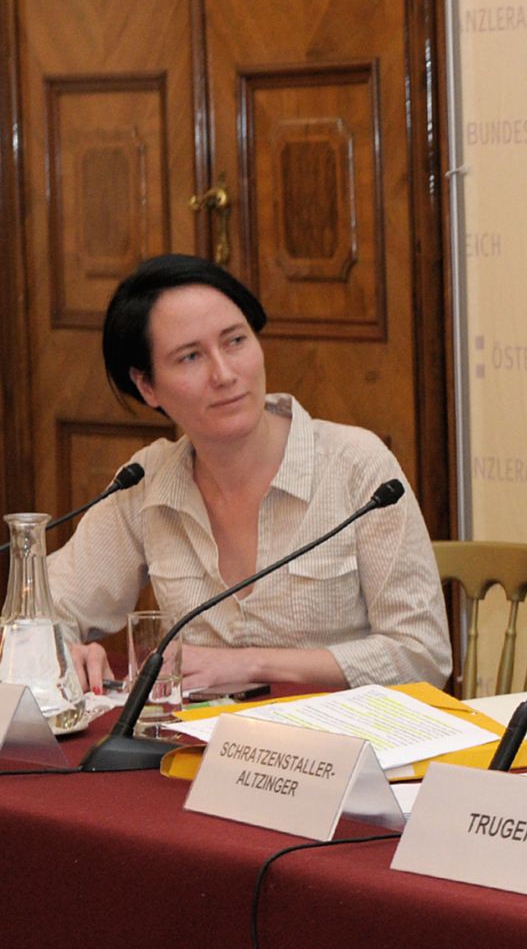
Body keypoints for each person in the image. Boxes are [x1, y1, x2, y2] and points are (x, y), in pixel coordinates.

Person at [55, 254, 450, 691]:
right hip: (200, 733)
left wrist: (251, 666)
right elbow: (42, 613)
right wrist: (67, 650)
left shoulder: (357, 466)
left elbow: (422, 656)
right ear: (147, 386)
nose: (224, 374)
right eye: (190, 357)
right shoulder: (145, 483)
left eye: (235, 341)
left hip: (339, 731)